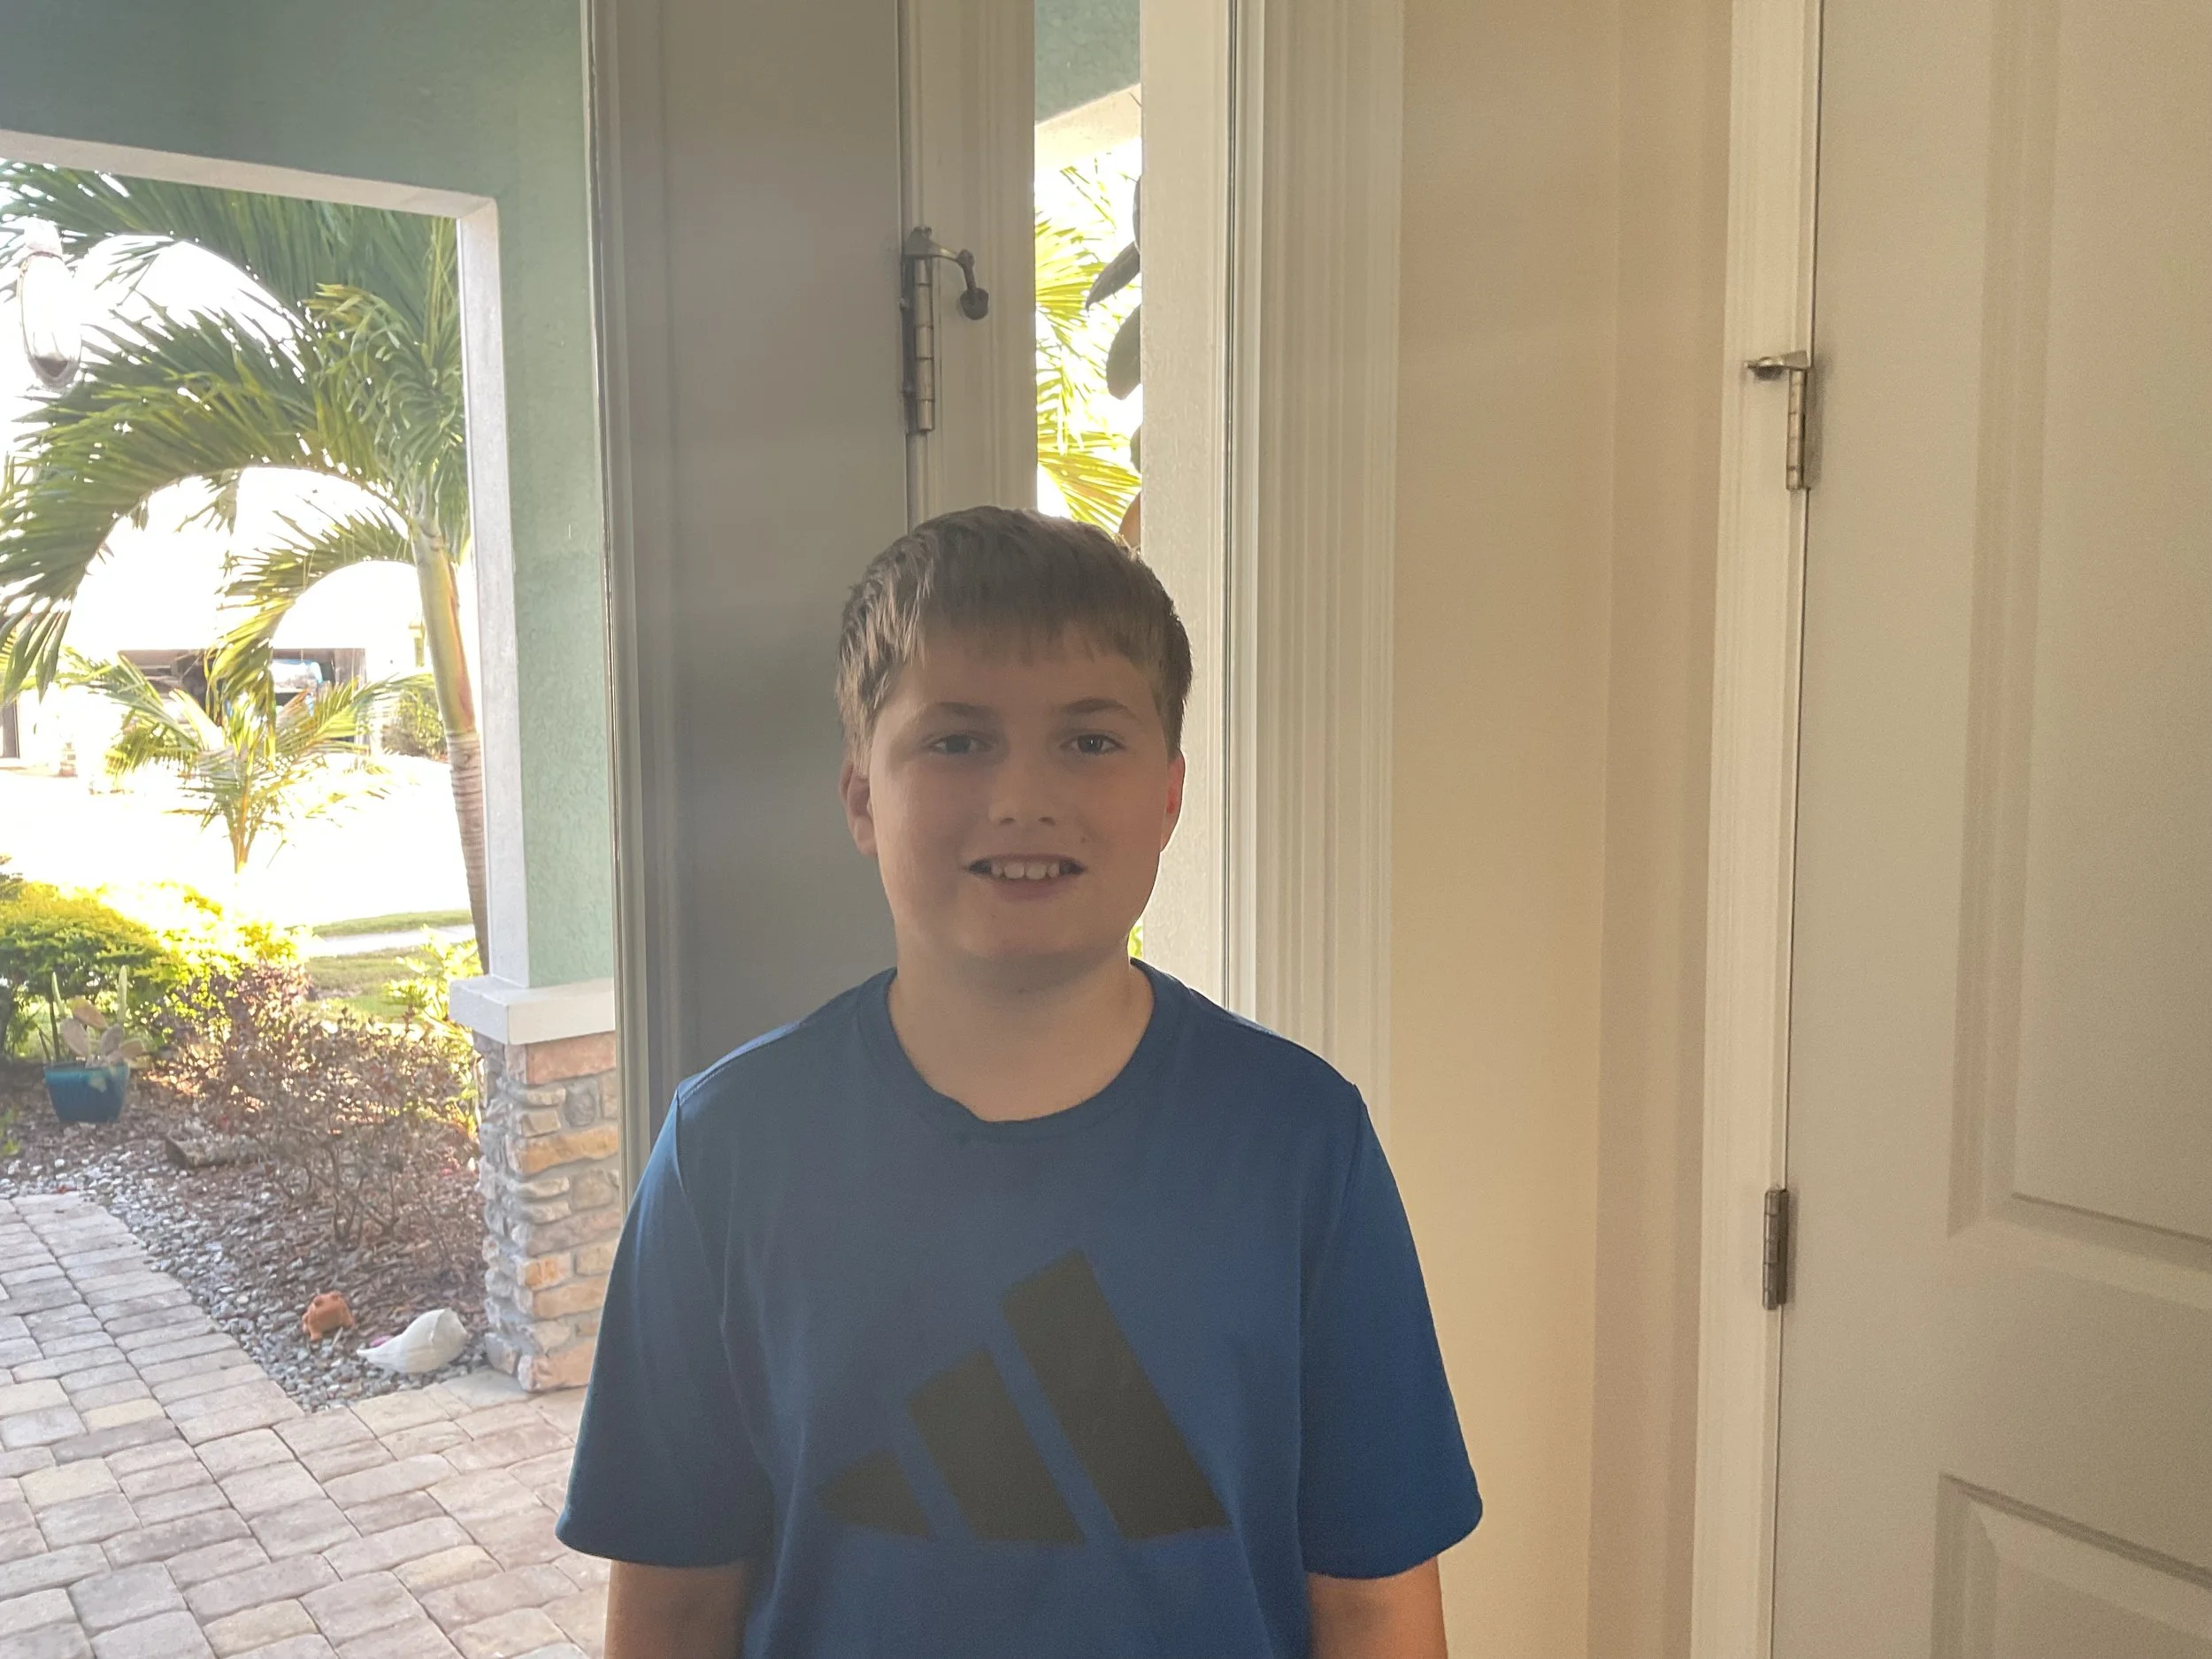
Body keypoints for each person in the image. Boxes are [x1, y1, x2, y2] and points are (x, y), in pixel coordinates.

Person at [557, 506, 1479, 1657]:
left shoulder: (1301, 1143)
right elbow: (673, 1600)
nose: (1023, 796)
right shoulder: (727, 1153)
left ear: (1170, 795)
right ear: (860, 798)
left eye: (1089, 741)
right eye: (958, 740)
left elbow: (1374, 1600)